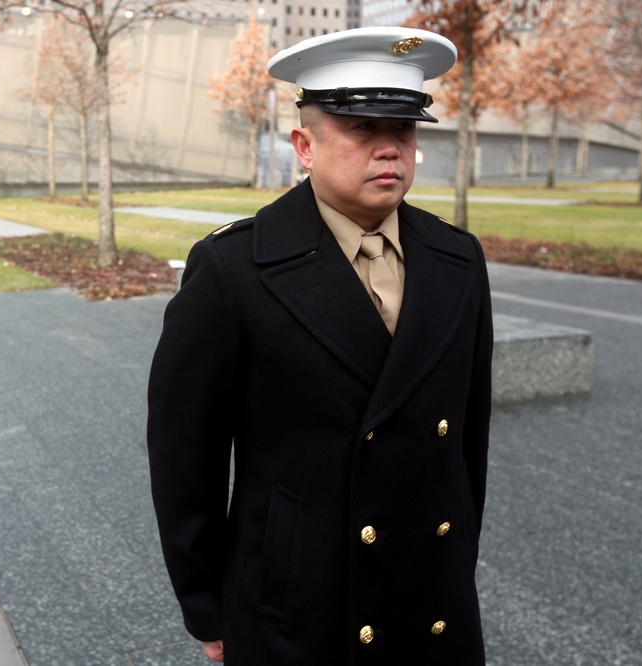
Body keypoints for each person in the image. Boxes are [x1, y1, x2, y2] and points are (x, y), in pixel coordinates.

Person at [146, 27, 493, 664]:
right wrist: (207, 606)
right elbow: (183, 460)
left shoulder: (458, 259)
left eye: (406, 130)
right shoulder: (234, 270)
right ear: (304, 146)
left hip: (432, 596)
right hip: (300, 604)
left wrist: (456, 562)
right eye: (363, 128)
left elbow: (469, 443)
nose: (391, 147)